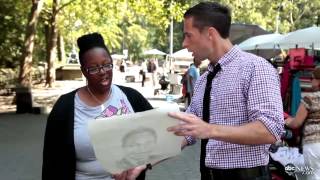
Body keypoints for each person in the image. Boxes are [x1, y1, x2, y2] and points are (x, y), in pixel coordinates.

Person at [167, 2, 284, 180]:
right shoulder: (204, 79)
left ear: (210, 34)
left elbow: (270, 129)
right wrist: (145, 160)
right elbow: (187, 130)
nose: (184, 43)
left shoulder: (256, 68)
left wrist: (209, 130)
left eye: (188, 36)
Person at [42, 33, 152, 180]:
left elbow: (157, 138)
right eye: (93, 68)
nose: (102, 72)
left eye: (107, 65)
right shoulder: (65, 107)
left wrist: (145, 163)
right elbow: (51, 163)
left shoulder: (132, 97)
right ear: (83, 72)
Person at [285, 67, 320, 180]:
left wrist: (287, 121)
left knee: (313, 175)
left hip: (314, 143)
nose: (310, 81)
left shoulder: (310, 98)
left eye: (312, 78)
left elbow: (296, 123)